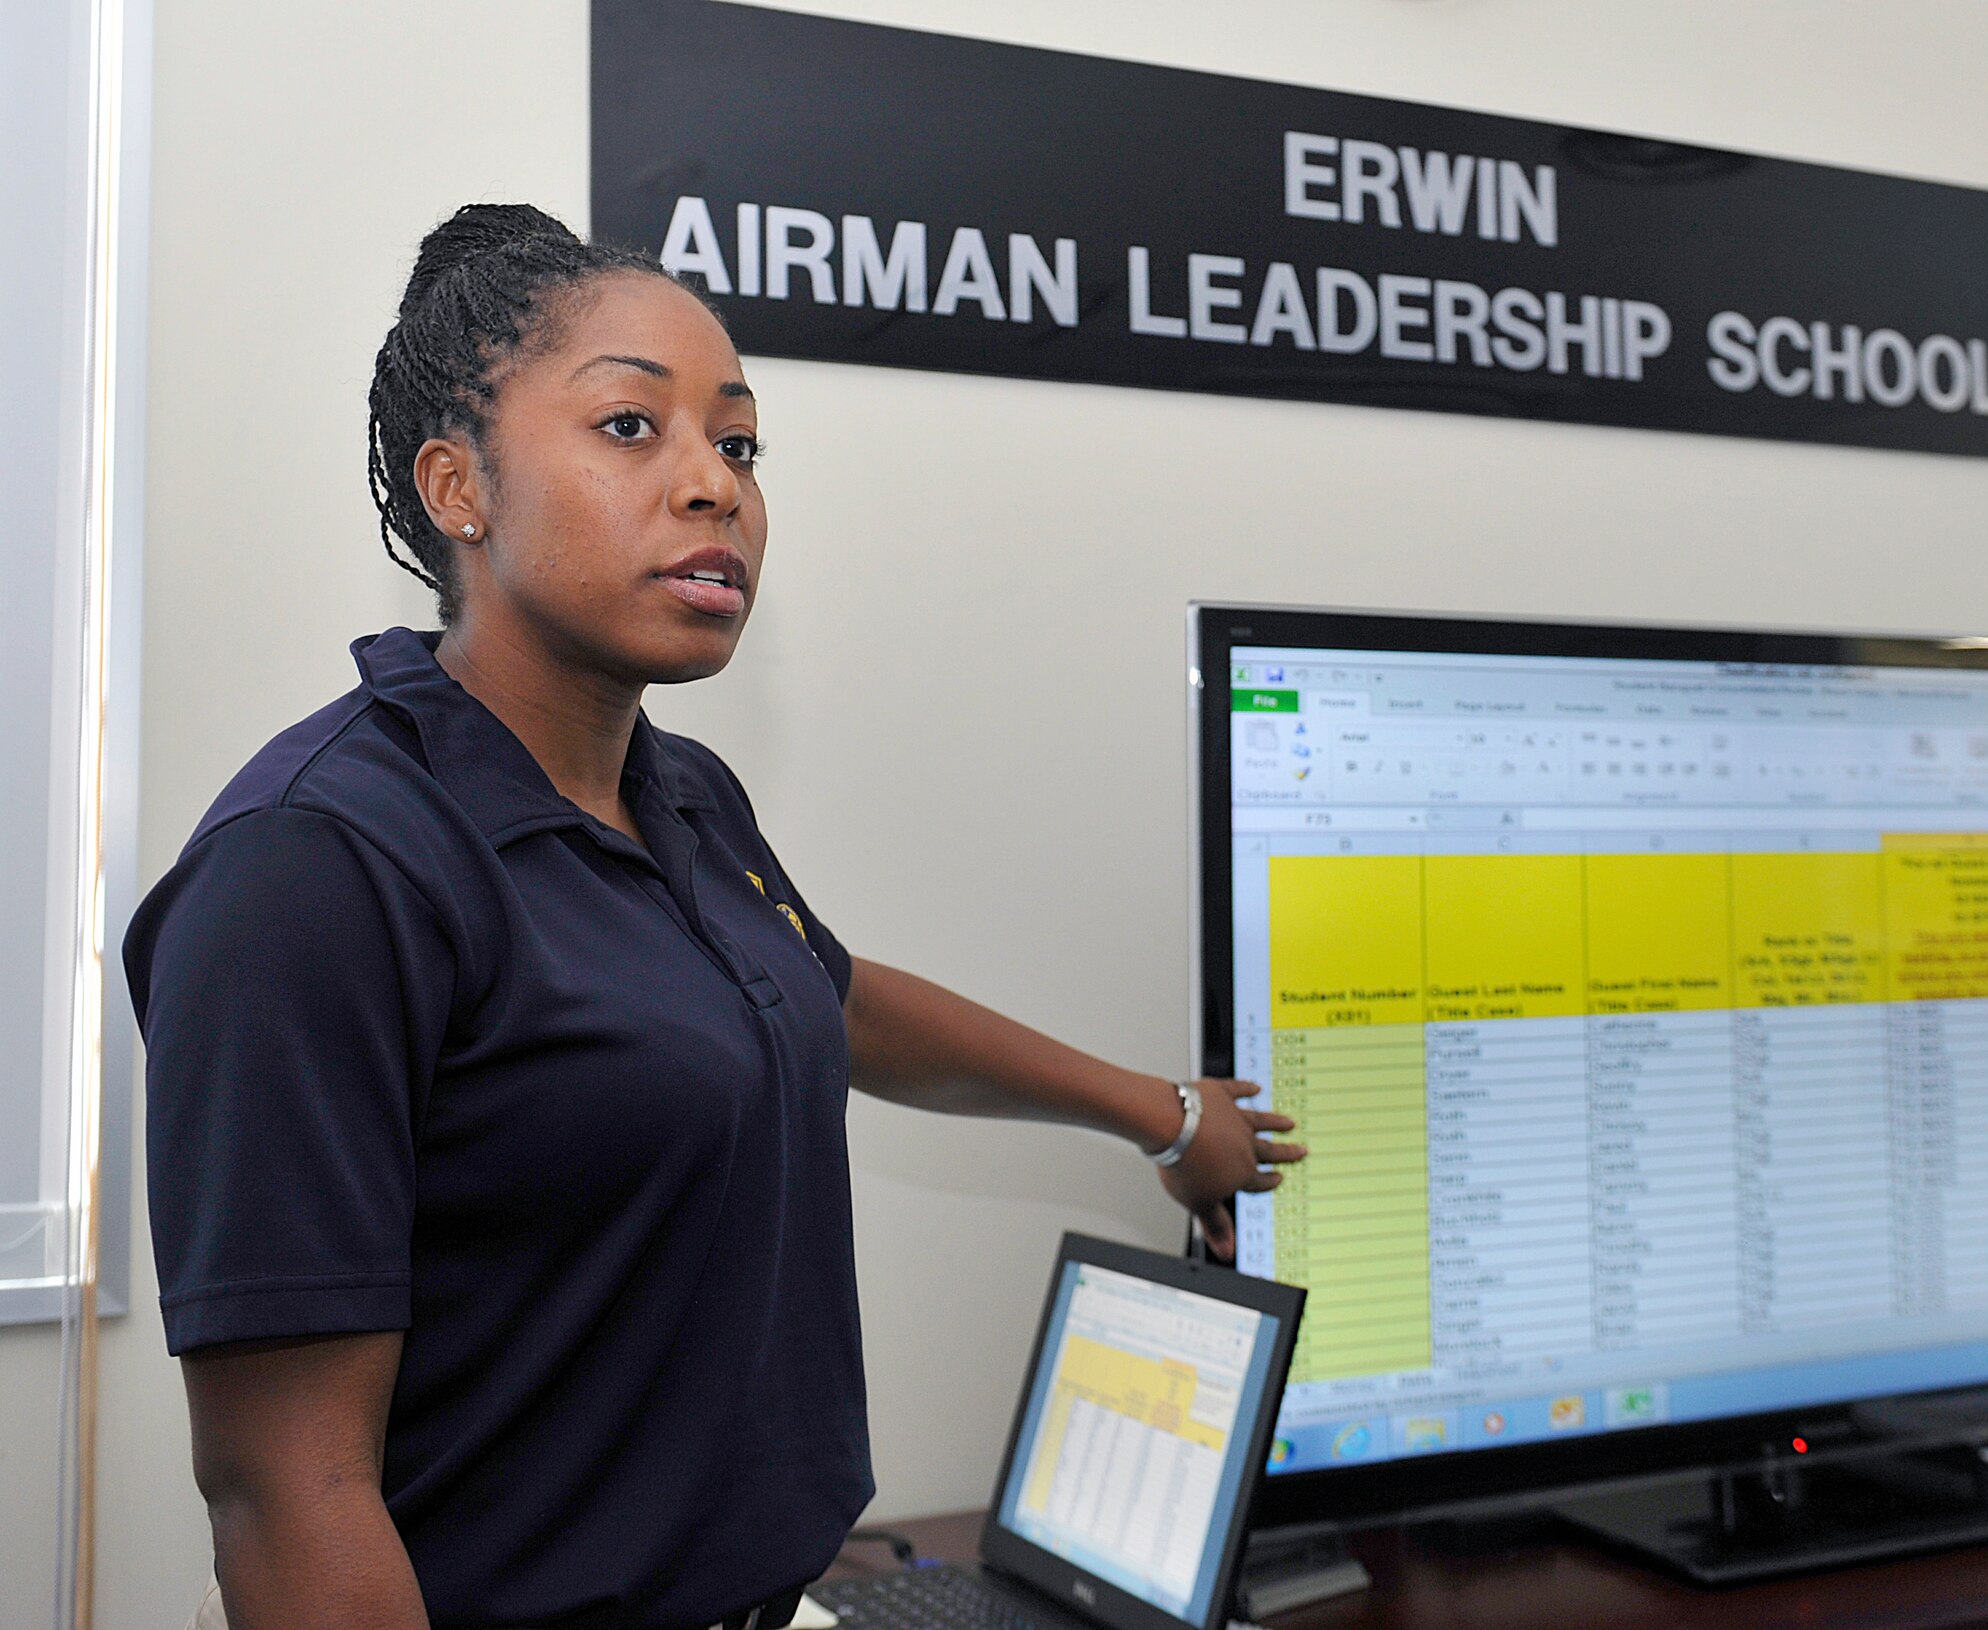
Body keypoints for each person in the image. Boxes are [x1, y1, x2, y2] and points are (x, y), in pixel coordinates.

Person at [125, 204, 1305, 1630]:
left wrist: (1167, 1117)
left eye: (737, 445)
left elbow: (830, 996)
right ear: (459, 485)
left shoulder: (679, 793)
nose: (715, 489)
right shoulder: (313, 867)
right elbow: (286, 1494)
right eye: (633, 428)